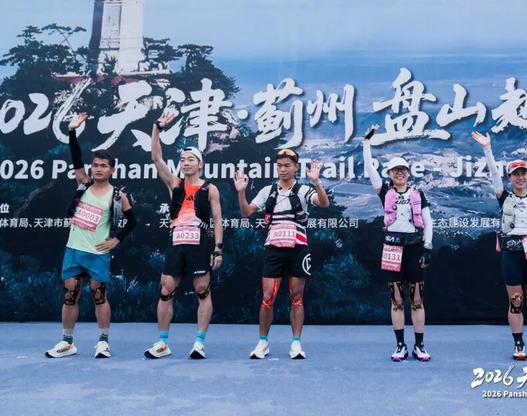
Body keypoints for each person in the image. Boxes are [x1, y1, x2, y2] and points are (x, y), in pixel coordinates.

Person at [45, 113, 136, 358]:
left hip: (97, 253)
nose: (98, 169)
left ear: (112, 169)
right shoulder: (83, 183)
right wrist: (72, 131)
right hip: (74, 250)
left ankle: (103, 342)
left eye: (103, 166)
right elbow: (76, 157)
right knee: (70, 295)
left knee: (98, 295)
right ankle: (67, 342)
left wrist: (116, 240)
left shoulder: (117, 195)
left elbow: (133, 222)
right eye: (95, 165)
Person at [234, 148, 329, 359]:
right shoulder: (268, 191)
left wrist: (316, 182)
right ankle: (262, 342)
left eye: (287, 165)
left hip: (298, 248)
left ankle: (296, 343)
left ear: (295, 167)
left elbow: (324, 203)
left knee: (297, 297)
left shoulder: (304, 190)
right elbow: (246, 212)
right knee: (267, 297)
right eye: (279, 166)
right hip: (274, 248)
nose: (283, 169)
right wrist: (241, 192)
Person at [144, 112, 223, 360]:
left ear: (199, 164)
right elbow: (156, 157)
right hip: (176, 244)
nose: (186, 163)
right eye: (182, 160)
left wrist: (218, 249)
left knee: (202, 290)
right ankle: (162, 342)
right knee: (166, 289)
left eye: (190, 159)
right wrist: (156, 128)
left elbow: (218, 220)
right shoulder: (175, 184)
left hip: (199, 246)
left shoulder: (210, 188)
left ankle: (199, 343)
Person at [472, 131, 527, 361]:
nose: (520, 178)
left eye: (523, 173)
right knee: (516, 302)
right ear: (510, 178)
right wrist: (487, 148)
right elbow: (493, 175)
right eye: (516, 174)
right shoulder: (504, 197)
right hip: (512, 254)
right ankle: (519, 344)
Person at [363, 126, 434, 362]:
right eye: (396, 170)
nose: (400, 173)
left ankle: (419, 345)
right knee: (396, 299)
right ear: (390, 174)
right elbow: (369, 169)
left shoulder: (418, 194)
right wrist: (366, 143)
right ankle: (400, 345)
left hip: (415, 247)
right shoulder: (385, 192)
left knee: (416, 299)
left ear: (408, 173)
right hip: (392, 248)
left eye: (403, 170)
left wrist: (427, 247)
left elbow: (428, 222)